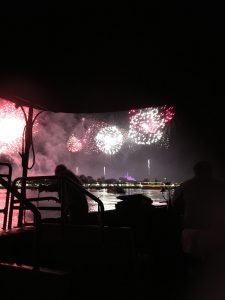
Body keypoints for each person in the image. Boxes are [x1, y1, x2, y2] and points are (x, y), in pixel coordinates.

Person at [171, 161, 225, 257]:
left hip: (191, 231)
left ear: (195, 171)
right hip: (217, 230)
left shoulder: (184, 186)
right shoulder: (220, 186)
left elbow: (174, 207)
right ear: (211, 171)